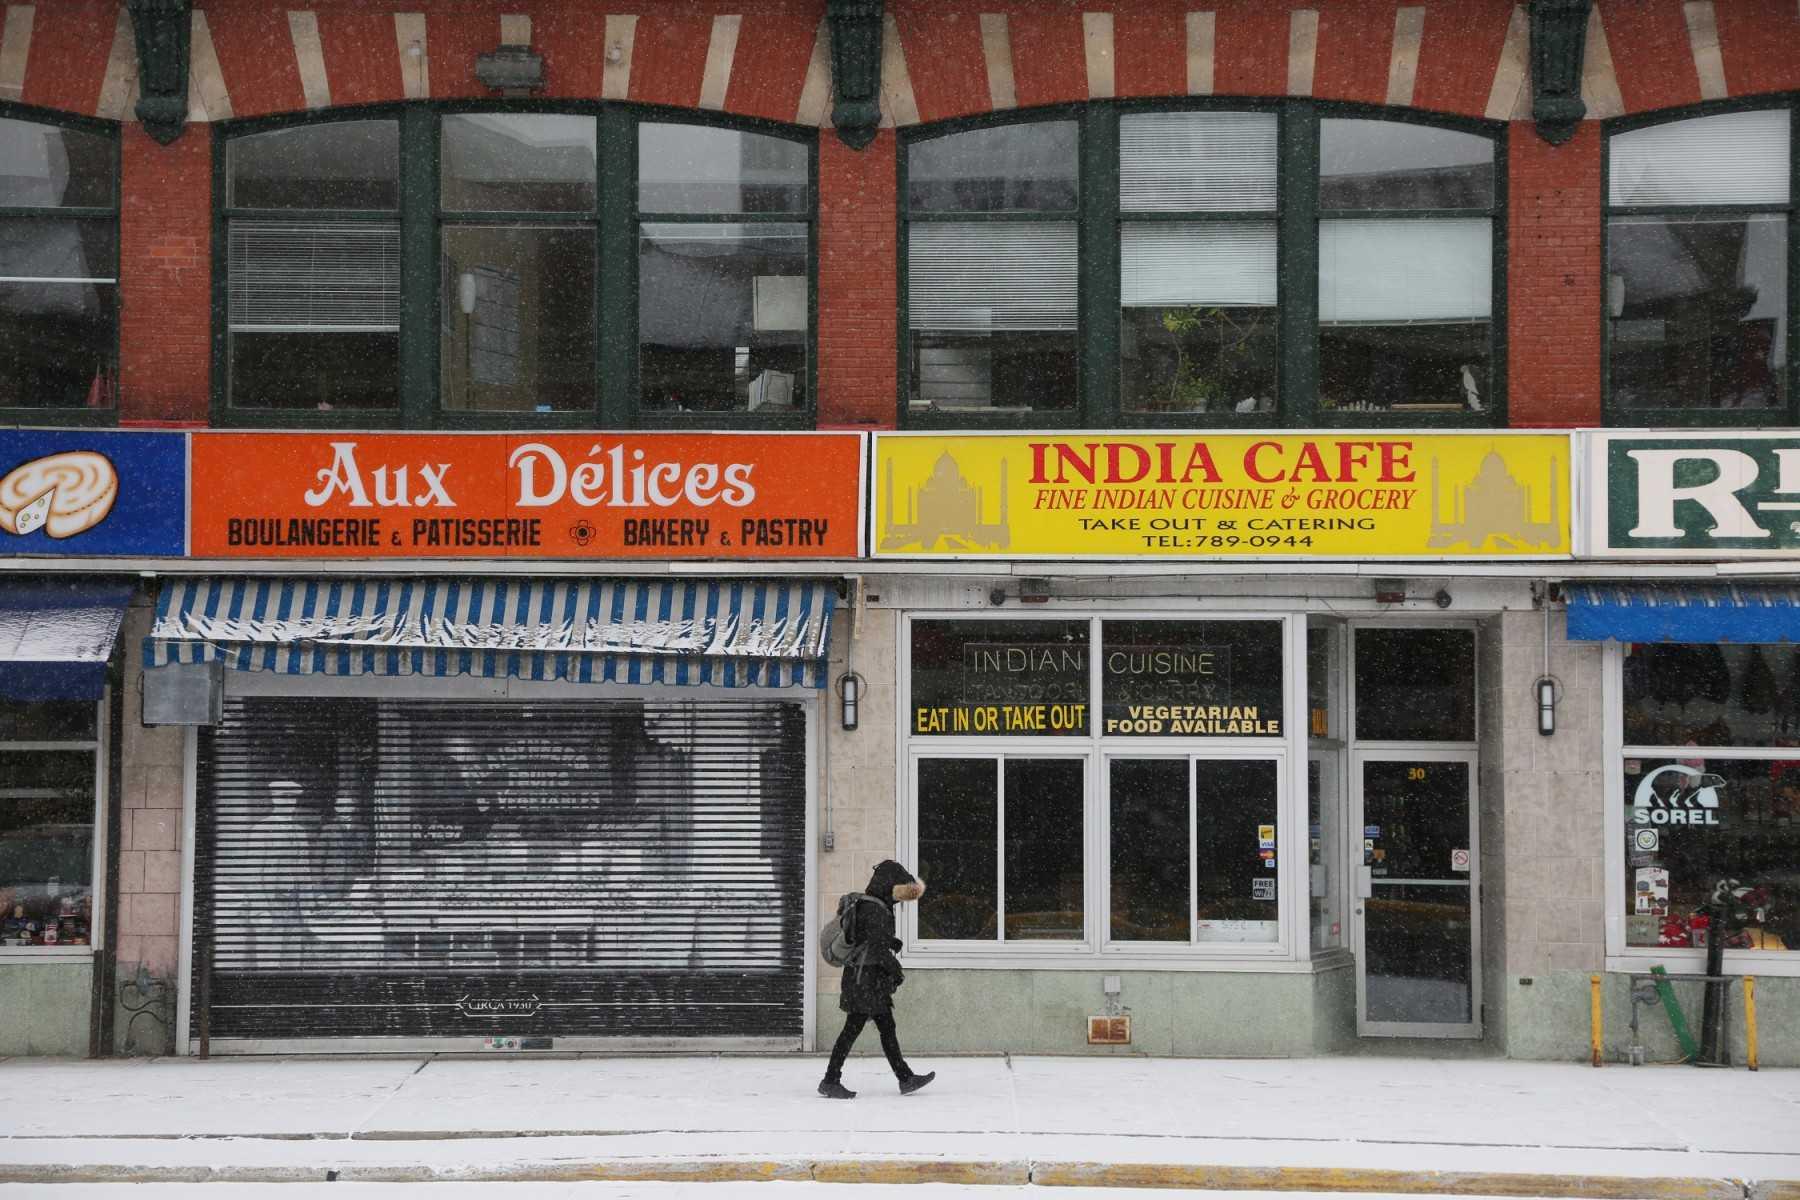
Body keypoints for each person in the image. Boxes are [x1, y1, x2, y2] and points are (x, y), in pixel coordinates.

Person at [818, 859, 935, 1099]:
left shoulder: (870, 905)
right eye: (898, 892)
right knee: (852, 1029)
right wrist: (896, 971)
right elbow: (878, 949)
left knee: (886, 1028)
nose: (898, 898)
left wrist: (892, 943)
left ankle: (905, 1078)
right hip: (865, 980)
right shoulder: (875, 909)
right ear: (889, 885)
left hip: (865, 979)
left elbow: (872, 939)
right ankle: (830, 1080)